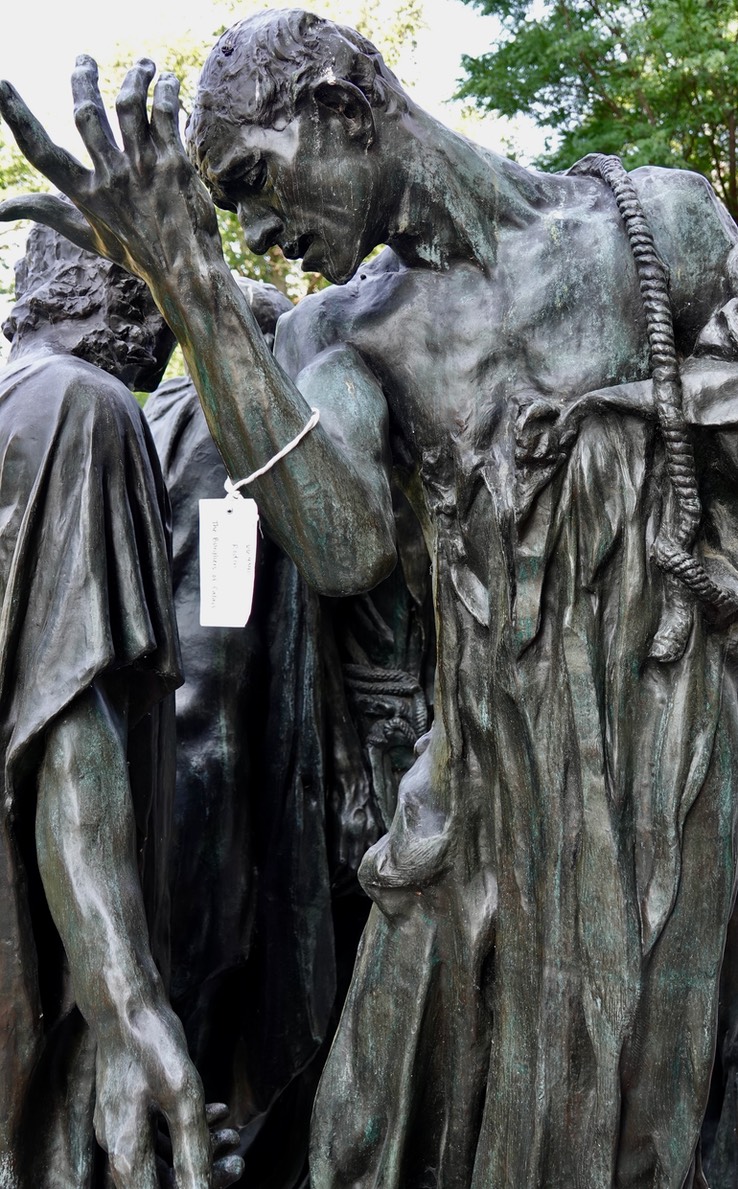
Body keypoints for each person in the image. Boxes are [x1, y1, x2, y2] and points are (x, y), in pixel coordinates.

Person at [3, 11, 738, 1184]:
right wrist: (187, 282)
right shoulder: (343, 334)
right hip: (486, 789)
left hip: (676, 763)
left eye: (250, 180)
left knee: (660, 1115)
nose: (254, 225)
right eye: (229, 207)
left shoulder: (654, 226)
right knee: (367, 1127)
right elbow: (342, 548)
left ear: (346, 109)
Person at [0, 220, 242, 1189]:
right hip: (47, 940)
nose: (164, 337)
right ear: (90, 291)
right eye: (149, 299)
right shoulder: (83, 404)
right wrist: (128, 1000)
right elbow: (67, 719)